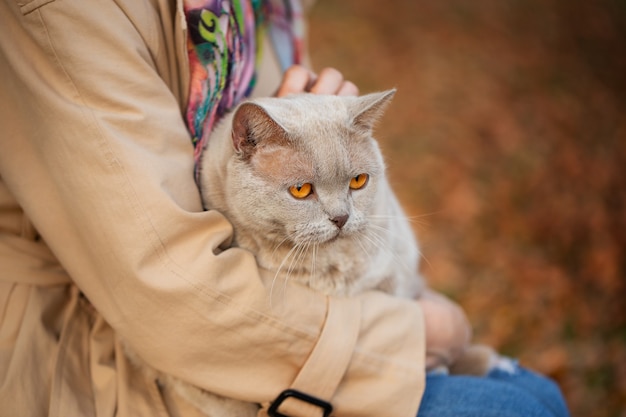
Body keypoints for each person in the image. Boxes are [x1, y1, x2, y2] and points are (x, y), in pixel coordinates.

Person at [0, 0, 569, 416]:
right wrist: (417, 333)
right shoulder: (65, 15)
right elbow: (172, 292)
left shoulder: (259, 7)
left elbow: (306, 159)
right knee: (515, 410)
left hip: (278, 304)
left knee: (542, 395)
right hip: (112, 349)